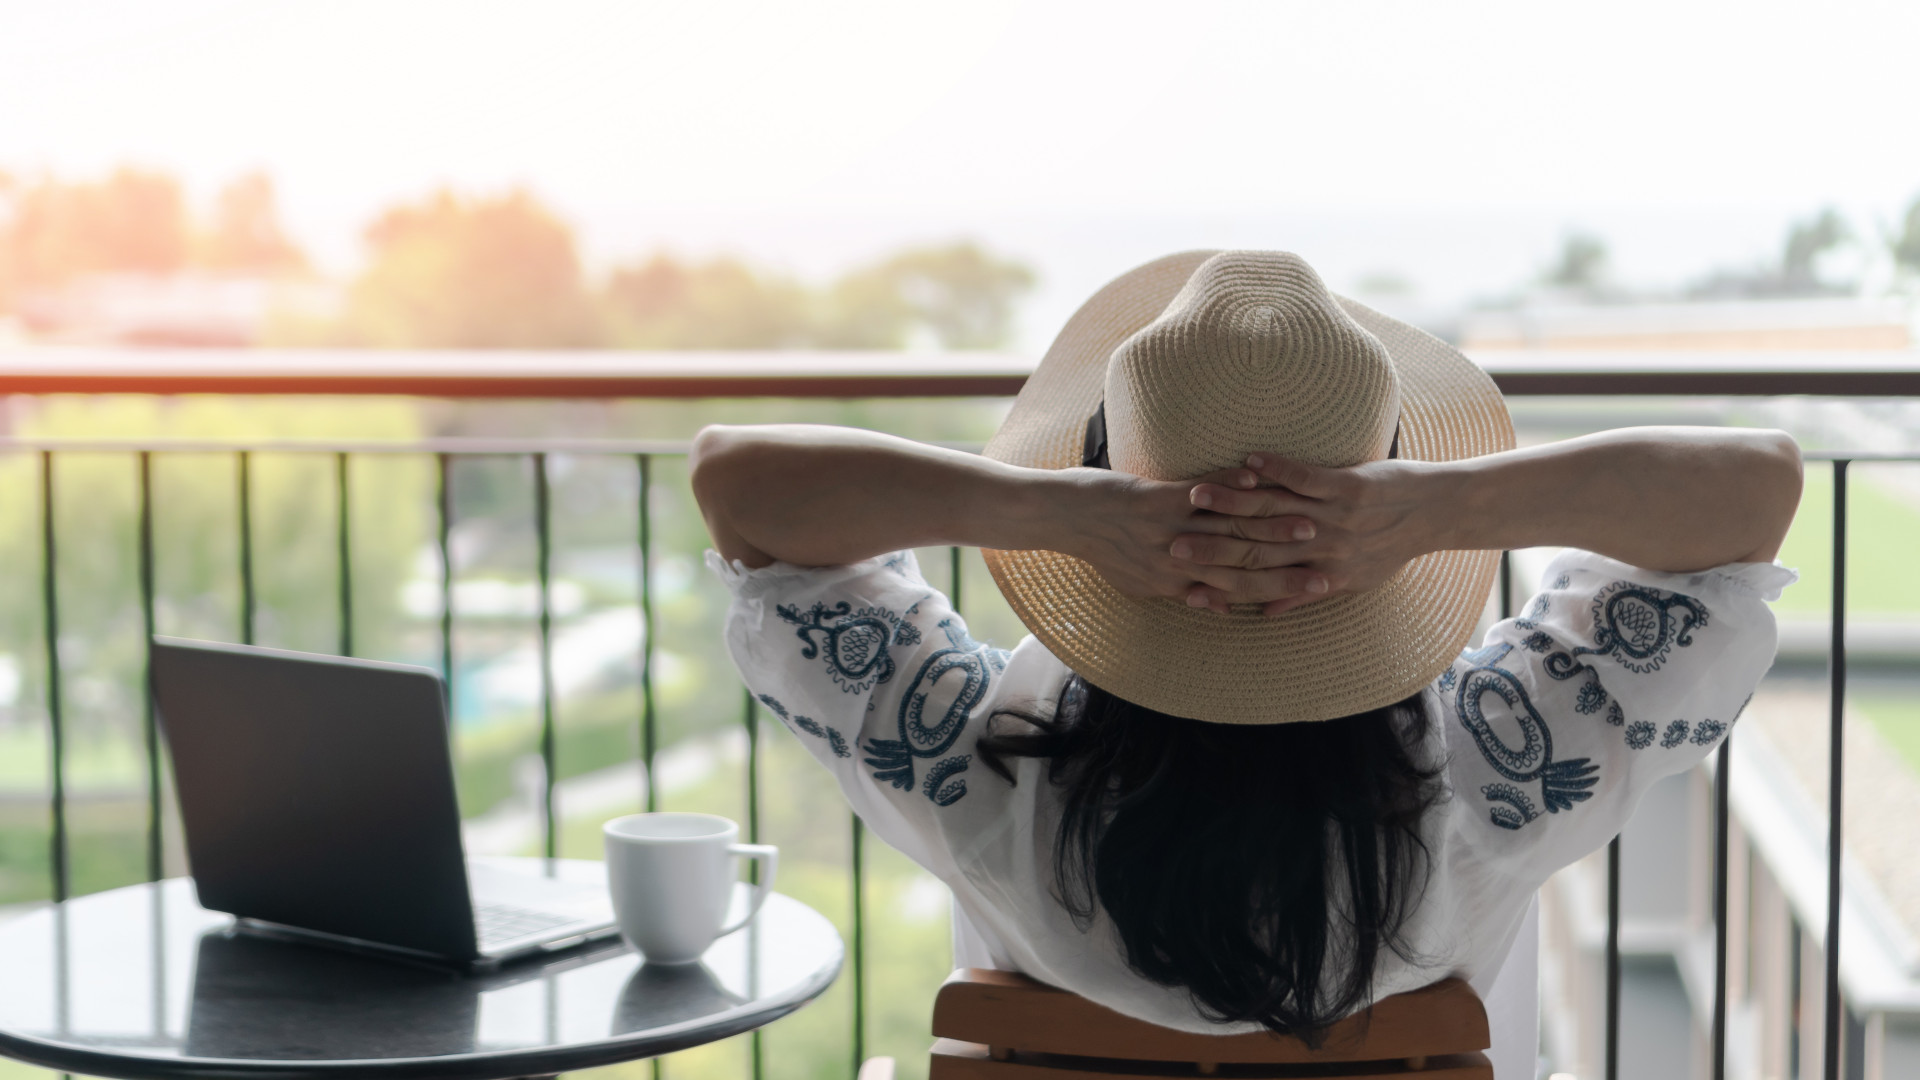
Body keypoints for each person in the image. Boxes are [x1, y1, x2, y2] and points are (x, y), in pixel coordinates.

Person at [690, 251, 1801, 1076]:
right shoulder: (1499, 775)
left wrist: (1050, 513)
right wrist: (1441, 507)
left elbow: (738, 482)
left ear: (1100, 476)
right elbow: (1756, 487)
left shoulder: (977, 770)